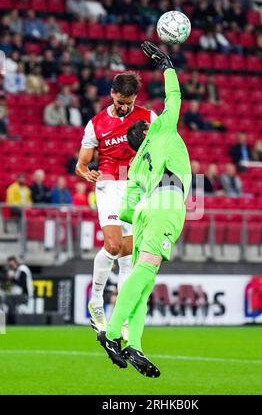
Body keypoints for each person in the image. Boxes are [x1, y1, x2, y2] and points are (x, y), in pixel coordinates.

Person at [99, 42, 191, 377]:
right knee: (146, 276)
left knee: (143, 280)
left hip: (144, 213)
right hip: (168, 202)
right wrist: (167, 66)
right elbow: (175, 100)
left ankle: (134, 342)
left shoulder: (136, 164)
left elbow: (125, 212)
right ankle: (111, 334)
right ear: (148, 130)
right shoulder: (163, 129)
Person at [75, 70, 157, 338]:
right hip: (109, 184)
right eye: (120, 101)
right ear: (112, 94)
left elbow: (161, 148)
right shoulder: (96, 123)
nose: (124, 106)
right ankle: (96, 302)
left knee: (129, 259)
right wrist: (87, 173)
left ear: (136, 98)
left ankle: (120, 317)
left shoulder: (148, 118)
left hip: (137, 187)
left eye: (129, 102)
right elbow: (81, 165)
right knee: (112, 245)